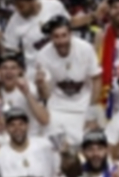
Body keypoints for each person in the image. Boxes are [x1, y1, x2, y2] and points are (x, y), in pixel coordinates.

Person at [35, 15, 103, 145]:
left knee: (86, 147)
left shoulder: (85, 48)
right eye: (56, 36)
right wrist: (40, 85)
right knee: (56, 147)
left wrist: (92, 110)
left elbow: (96, 79)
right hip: (57, 108)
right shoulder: (43, 55)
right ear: (50, 38)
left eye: (64, 35)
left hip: (83, 106)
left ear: (70, 34)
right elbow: (46, 95)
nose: (61, 41)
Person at [0, 53, 50, 137]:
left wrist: (27, 93)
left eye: (13, 68)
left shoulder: (30, 87)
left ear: (20, 71)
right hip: (11, 141)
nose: (8, 72)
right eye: (4, 68)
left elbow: (44, 119)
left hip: (33, 137)